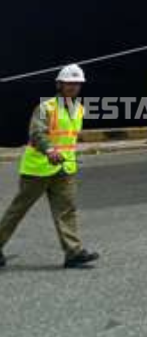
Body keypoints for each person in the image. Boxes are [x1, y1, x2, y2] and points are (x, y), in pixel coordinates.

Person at [0, 64, 100, 269]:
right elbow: (37, 133)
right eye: (69, 83)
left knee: (67, 210)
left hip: (64, 169)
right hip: (38, 168)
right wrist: (49, 150)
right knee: (18, 210)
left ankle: (73, 253)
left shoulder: (79, 109)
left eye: (77, 83)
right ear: (59, 85)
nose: (73, 86)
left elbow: (68, 138)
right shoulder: (46, 108)